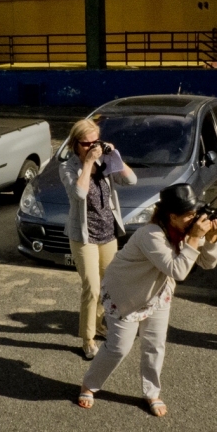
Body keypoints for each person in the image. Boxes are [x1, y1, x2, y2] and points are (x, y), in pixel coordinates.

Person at [77, 183, 217, 416]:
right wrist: (195, 238)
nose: (195, 220)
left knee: (155, 346)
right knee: (118, 348)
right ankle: (89, 385)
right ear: (172, 216)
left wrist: (212, 239)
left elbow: (208, 263)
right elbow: (178, 270)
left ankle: (151, 392)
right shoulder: (151, 234)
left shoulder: (186, 231)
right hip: (125, 294)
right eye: (190, 215)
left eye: (196, 214)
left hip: (157, 294)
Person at [60, 118, 137, 360]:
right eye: (87, 144)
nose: (92, 147)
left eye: (96, 143)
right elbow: (79, 193)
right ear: (75, 144)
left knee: (108, 285)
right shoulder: (68, 167)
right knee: (91, 287)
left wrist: (115, 156)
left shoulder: (105, 161)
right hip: (84, 236)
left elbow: (131, 180)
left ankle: (99, 324)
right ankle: (87, 338)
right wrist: (89, 161)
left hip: (108, 233)